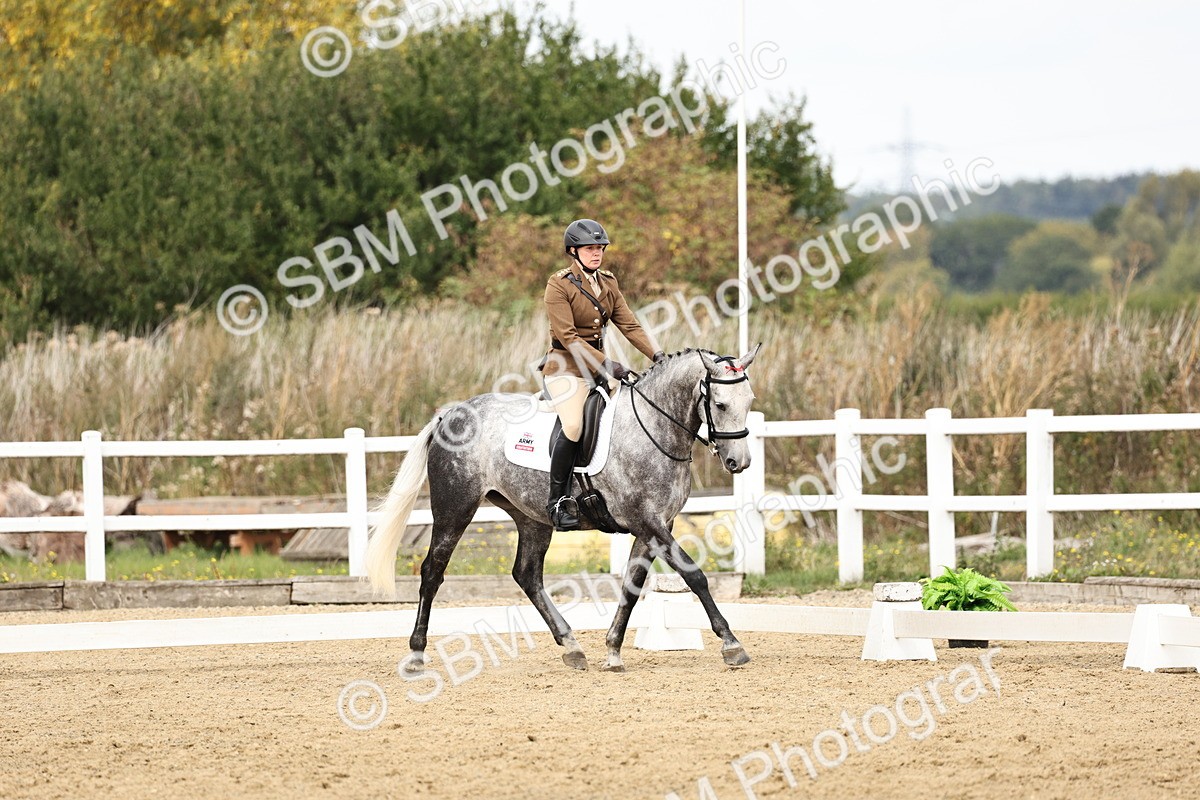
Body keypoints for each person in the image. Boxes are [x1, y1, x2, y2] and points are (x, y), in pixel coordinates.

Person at [540, 219, 665, 530]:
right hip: (565, 369)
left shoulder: (608, 283)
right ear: (573, 251)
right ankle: (557, 500)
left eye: (599, 249)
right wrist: (610, 367)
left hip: (597, 369)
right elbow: (568, 337)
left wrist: (659, 356)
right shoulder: (559, 285)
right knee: (573, 424)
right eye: (589, 249)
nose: (596, 254)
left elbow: (630, 325)